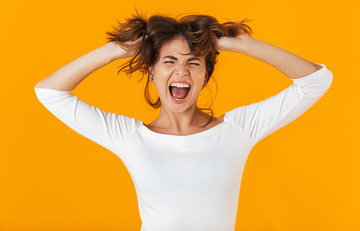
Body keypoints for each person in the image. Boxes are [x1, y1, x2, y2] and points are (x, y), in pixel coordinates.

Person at [34, 12, 333, 231]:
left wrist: (238, 44)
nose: (181, 71)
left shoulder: (238, 129)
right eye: (169, 61)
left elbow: (316, 81)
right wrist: (118, 50)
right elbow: (49, 92)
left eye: (193, 62)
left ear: (205, 75)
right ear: (151, 71)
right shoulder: (130, 137)